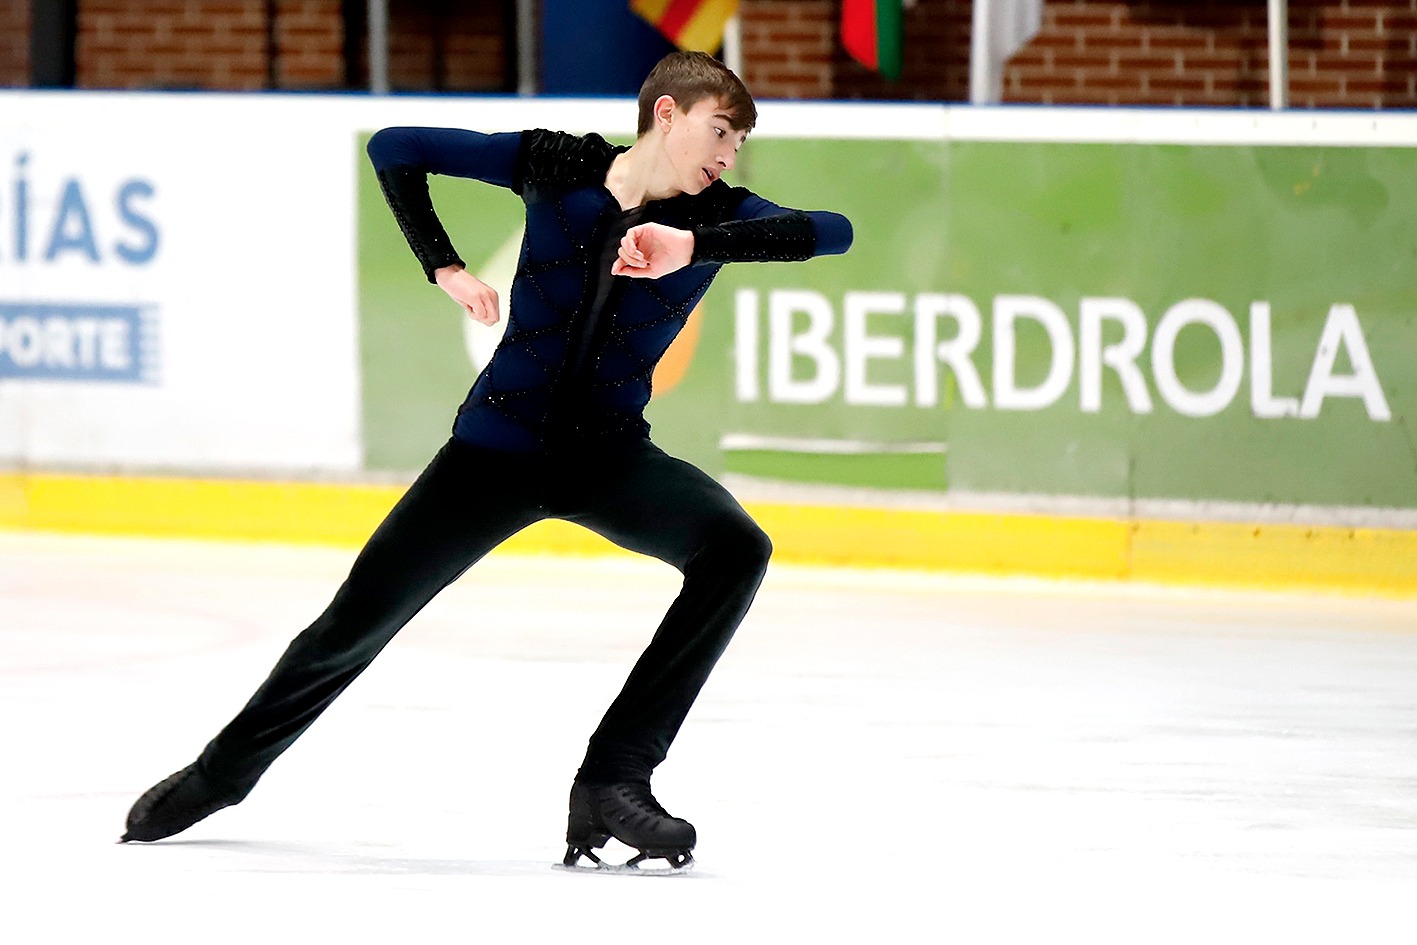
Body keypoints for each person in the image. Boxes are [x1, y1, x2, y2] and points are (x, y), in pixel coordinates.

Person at [121, 50, 853, 871]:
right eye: (721, 131)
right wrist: (441, 262)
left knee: (735, 548)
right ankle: (221, 775)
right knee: (351, 625)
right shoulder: (555, 164)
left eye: (740, 142)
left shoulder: (720, 216)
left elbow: (830, 232)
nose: (728, 155)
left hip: (609, 458)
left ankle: (613, 779)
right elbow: (394, 145)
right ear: (668, 115)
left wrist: (694, 244)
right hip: (490, 453)